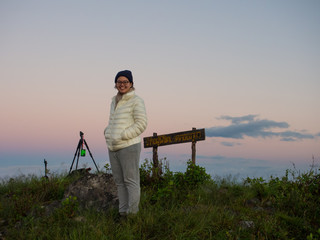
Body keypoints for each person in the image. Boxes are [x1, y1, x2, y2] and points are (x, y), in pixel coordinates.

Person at [104, 70, 147, 217]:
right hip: (113, 146)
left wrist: (124, 135)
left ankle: (132, 215)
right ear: (115, 84)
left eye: (125, 82)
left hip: (129, 146)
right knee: (120, 182)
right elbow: (113, 122)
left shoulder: (136, 100)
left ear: (131, 84)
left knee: (131, 181)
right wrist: (108, 132)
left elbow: (141, 123)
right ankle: (122, 214)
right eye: (119, 82)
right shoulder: (114, 100)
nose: (122, 85)